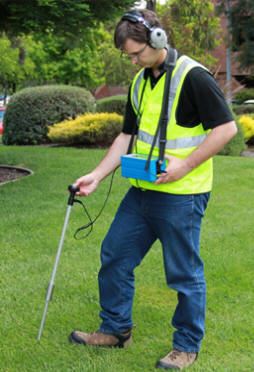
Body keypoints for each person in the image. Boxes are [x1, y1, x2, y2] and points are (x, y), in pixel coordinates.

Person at [69, 9, 237, 370]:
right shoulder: (140, 82)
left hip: (183, 195)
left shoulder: (194, 77)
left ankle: (186, 346)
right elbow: (127, 136)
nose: (133, 61)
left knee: (183, 273)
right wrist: (97, 175)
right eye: (128, 56)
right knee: (114, 255)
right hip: (143, 191)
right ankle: (115, 330)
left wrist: (185, 165)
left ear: (158, 39)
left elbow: (226, 130)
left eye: (136, 53)